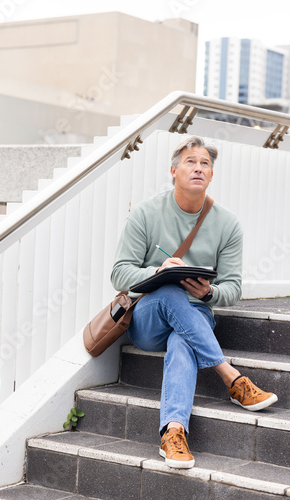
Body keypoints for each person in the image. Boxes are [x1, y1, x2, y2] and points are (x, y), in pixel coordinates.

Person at [111, 136, 278, 469]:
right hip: (148, 318)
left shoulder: (227, 224)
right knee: (172, 290)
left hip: (196, 316)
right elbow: (119, 274)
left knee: (182, 341)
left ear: (211, 176)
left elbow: (233, 287)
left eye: (205, 164)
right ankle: (231, 377)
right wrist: (158, 270)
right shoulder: (145, 214)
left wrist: (209, 294)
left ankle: (173, 434)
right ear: (173, 171)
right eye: (190, 161)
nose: (198, 168)